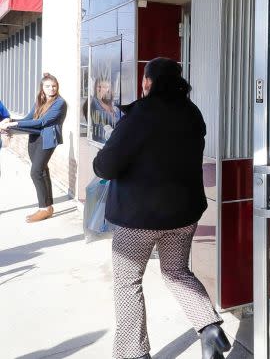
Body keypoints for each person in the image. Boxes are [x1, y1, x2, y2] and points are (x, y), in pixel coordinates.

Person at [93, 58, 230, 359]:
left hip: (138, 220)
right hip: (183, 215)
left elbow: (106, 166)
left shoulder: (140, 115)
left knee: (128, 283)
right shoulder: (192, 113)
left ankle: (133, 353)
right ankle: (209, 327)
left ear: (148, 82)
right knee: (176, 271)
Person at [0, 74, 67, 223]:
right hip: (34, 138)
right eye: (48, 86)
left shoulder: (60, 103)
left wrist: (13, 125)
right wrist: (11, 120)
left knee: (35, 172)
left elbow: (42, 122)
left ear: (57, 86)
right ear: (42, 88)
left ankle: (43, 208)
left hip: (48, 140)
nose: (51, 89)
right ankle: (48, 207)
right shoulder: (39, 101)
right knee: (43, 171)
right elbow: (28, 119)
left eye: (54, 86)